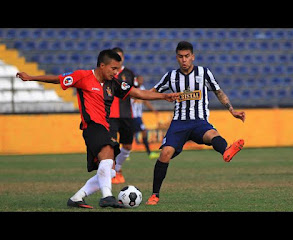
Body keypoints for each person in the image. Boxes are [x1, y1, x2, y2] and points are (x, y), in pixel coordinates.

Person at [16, 49, 179, 209]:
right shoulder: (82, 76)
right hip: (92, 126)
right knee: (107, 159)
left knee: (111, 171)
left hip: (105, 128)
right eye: (113, 68)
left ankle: (77, 197)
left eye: (118, 69)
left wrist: (164, 96)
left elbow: (137, 92)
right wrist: (31, 78)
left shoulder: (113, 83)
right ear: (102, 65)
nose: (116, 73)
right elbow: (57, 79)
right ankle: (107, 197)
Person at [145, 41, 246, 205]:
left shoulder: (204, 73)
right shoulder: (171, 76)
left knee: (213, 135)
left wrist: (232, 110)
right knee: (165, 154)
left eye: (187, 56)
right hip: (179, 123)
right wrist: (140, 96)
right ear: (176, 58)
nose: (184, 60)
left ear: (193, 57)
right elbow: (152, 92)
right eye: (180, 57)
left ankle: (226, 152)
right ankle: (155, 195)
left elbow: (219, 92)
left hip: (199, 121)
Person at [109, 47, 136, 184]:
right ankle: (112, 172)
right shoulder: (107, 72)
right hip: (111, 115)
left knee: (128, 145)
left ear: (123, 58)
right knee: (112, 145)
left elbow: (134, 91)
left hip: (126, 114)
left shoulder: (129, 73)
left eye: (119, 57)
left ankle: (118, 168)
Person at [131, 75, 160, 159]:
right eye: (140, 80)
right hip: (133, 115)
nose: (142, 81)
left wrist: (152, 109)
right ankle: (149, 153)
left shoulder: (142, 88)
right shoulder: (132, 89)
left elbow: (145, 101)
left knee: (131, 134)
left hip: (138, 115)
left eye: (142, 80)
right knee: (143, 131)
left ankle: (124, 152)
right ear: (136, 80)